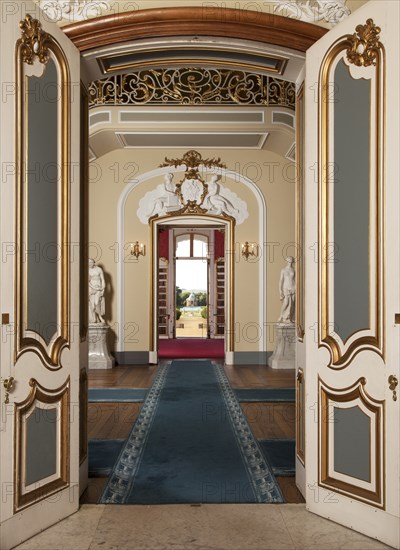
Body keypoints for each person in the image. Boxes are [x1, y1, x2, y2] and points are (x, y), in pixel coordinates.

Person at [278, 256, 296, 324]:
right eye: (289, 261)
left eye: (291, 262)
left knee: (292, 304)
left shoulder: (294, 270)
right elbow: (281, 281)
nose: (290, 263)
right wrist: (280, 292)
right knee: (286, 303)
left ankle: (290, 317)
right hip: (286, 287)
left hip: (293, 287)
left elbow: (295, 280)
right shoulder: (283, 270)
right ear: (287, 261)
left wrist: (296, 288)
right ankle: (281, 316)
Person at [88, 258, 105, 323]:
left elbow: (102, 279)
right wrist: (94, 288)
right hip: (91, 288)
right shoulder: (87, 270)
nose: (90, 264)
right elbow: (88, 282)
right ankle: (94, 319)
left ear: (94, 263)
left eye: (91, 262)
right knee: (92, 304)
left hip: (98, 287)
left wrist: (103, 287)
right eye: (88, 262)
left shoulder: (99, 269)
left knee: (97, 303)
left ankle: (100, 317)